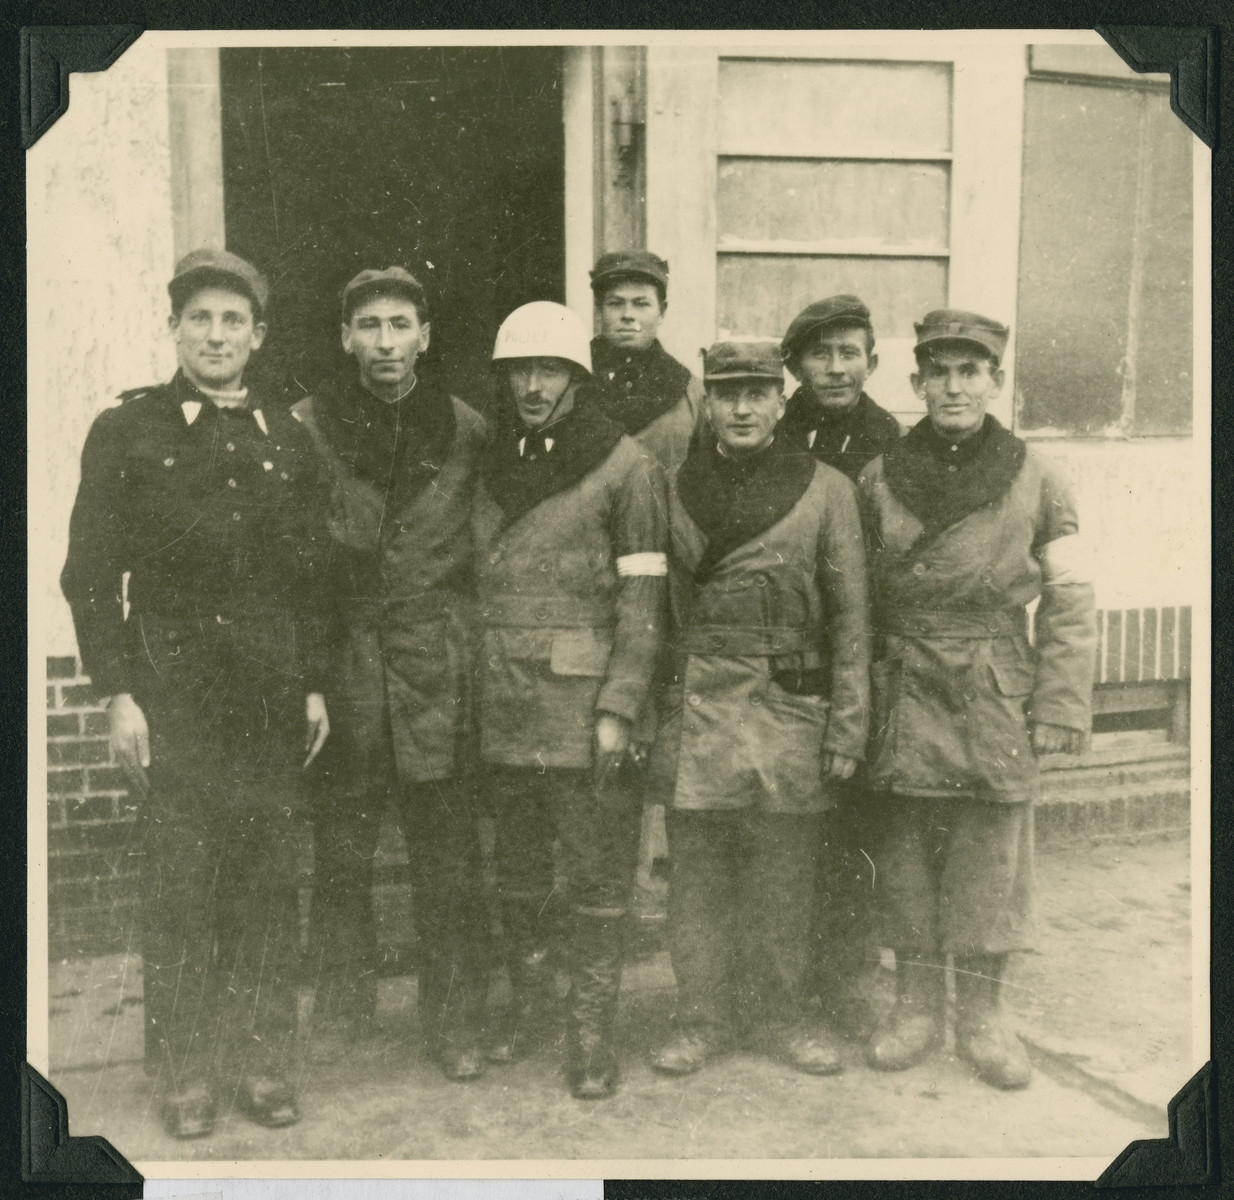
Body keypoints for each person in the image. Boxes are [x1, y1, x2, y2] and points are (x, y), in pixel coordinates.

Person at [61, 249, 332, 1137]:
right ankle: (182, 1073)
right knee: (180, 887)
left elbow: (312, 574)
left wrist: (315, 684)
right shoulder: (128, 429)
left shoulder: (288, 437)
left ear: (258, 335)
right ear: (175, 329)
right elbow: (92, 576)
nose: (216, 336)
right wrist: (117, 694)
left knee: (263, 881)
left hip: (266, 691)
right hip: (171, 692)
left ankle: (260, 1063)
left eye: (233, 321)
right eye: (199, 320)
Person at [857, 309, 1096, 1089]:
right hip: (903, 682)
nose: (954, 387)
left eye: (971, 372)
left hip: (994, 683)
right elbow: (851, 598)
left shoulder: (1039, 475)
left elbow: (1071, 599)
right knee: (903, 854)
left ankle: (986, 1018)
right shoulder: (880, 474)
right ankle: (917, 1006)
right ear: (917, 382)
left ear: (995, 380)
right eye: (940, 372)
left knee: (990, 857)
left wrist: (1060, 705)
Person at [648, 339, 870, 1077]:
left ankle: (782, 1016)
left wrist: (848, 723)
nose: (741, 408)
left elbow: (852, 621)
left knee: (784, 878)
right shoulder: (670, 487)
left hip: (788, 707)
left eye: (756, 394)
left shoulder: (828, 489)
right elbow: (654, 615)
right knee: (698, 880)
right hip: (701, 704)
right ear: (706, 403)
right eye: (727, 394)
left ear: (782, 402)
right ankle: (701, 1017)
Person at [293, 267, 490, 1081]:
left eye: (399, 324)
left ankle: (456, 1022)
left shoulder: (468, 429)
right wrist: (308, 673)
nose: (384, 342)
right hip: (344, 667)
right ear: (344, 338)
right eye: (367, 325)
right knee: (341, 851)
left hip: (435, 667)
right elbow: (296, 563)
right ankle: (343, 1012)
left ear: (425, 336)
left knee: (446, 857)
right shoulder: (303, 428)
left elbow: (486, 552)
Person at [472, 301, 667, 1099]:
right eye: (519, 369)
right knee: (517, 873)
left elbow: (645, 602)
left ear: (576, 379)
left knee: (594, 878)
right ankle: (532, 1008)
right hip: (504, 703)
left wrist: (619, 707)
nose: (532, 384)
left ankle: (591, 1032)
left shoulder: (625, 466)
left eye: (548, 369)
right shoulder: (486, 460)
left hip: (587, 713)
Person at [779, 294, 902, 1040]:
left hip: (858, 655)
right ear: (795, 365)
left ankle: (851, 980)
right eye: (820, 353)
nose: (835, 367)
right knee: (784, 831)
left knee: (855, 830)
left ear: (872, 362)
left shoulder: (891, 445)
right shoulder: (769, 426)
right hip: (785, 657)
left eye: (849, 352)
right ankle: (778, 986)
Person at [589, 250, 704, 475]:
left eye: (641, 304)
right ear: (599, 310)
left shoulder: (692, 394)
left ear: (662, 312)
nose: (628, 315)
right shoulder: (571, 380)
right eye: (615, 303)